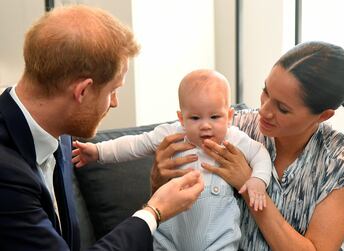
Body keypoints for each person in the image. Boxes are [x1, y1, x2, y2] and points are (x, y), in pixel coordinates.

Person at [0, 5, 204, 251]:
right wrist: (154, 212)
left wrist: (155, 196)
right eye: (113, 91)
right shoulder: (7, 173)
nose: (115, 103)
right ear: (83, 91)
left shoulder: (60, 132)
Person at [150, 41, 344, 251]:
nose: (264, 111)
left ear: (323, 116)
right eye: (266, 91)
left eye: (282, 108)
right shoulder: (231, 128)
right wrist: (158, 179)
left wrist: (249, 185)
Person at [72, 69, 272, 250]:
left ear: (229, 116)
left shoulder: (234, 138)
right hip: (170, 240)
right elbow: (135, 145)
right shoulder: (171, 134)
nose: (205, 126)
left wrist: (257, 181)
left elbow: (260, 154)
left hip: (218, 241)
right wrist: (98, 151)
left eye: (214, 117)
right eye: (195, 118)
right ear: (181, 118)